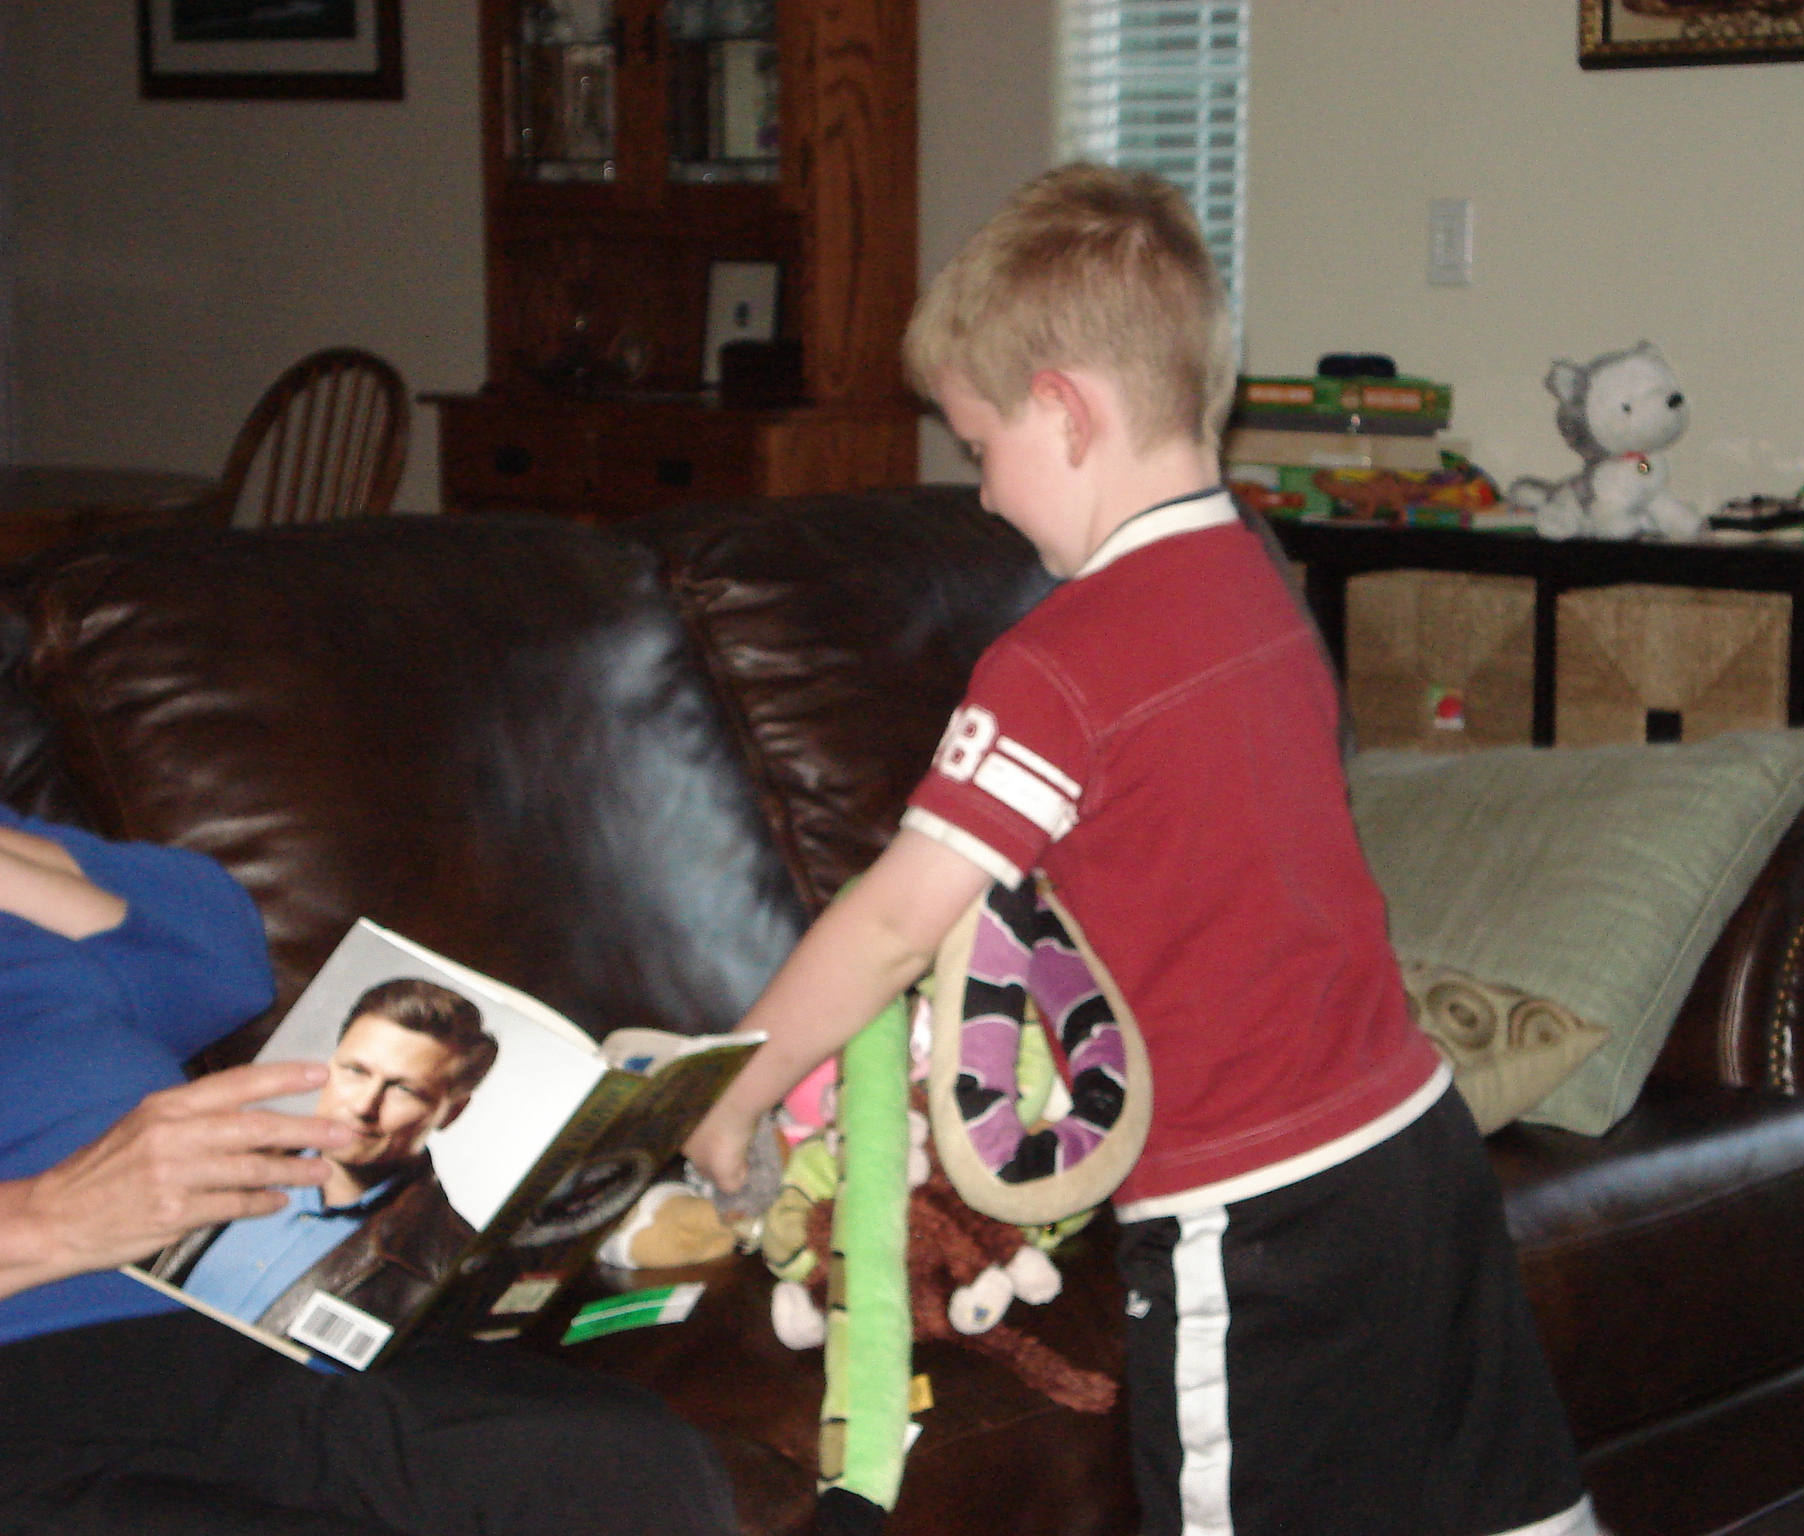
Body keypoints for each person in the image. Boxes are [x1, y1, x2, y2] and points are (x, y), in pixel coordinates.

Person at [684, 163, 1594, 1536]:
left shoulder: (1058, 664)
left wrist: (737, 1087)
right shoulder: (1257, 580)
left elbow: (890, 922)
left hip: (1256, 1217)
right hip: (1419, 1154)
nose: (984, 499)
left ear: (1064, 410)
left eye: (979, 446)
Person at [0, 805, 736, 1536]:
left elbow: (222, 965)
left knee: (629, 1465)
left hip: (252, 1325)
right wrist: (46, 1219)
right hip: (35, 1375)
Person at [148, 978, 495, 1337]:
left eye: (405, 1089)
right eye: (356, 1070)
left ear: (452, 1113)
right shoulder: (216, 1158)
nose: (363, 1106)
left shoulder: (451, 1266)